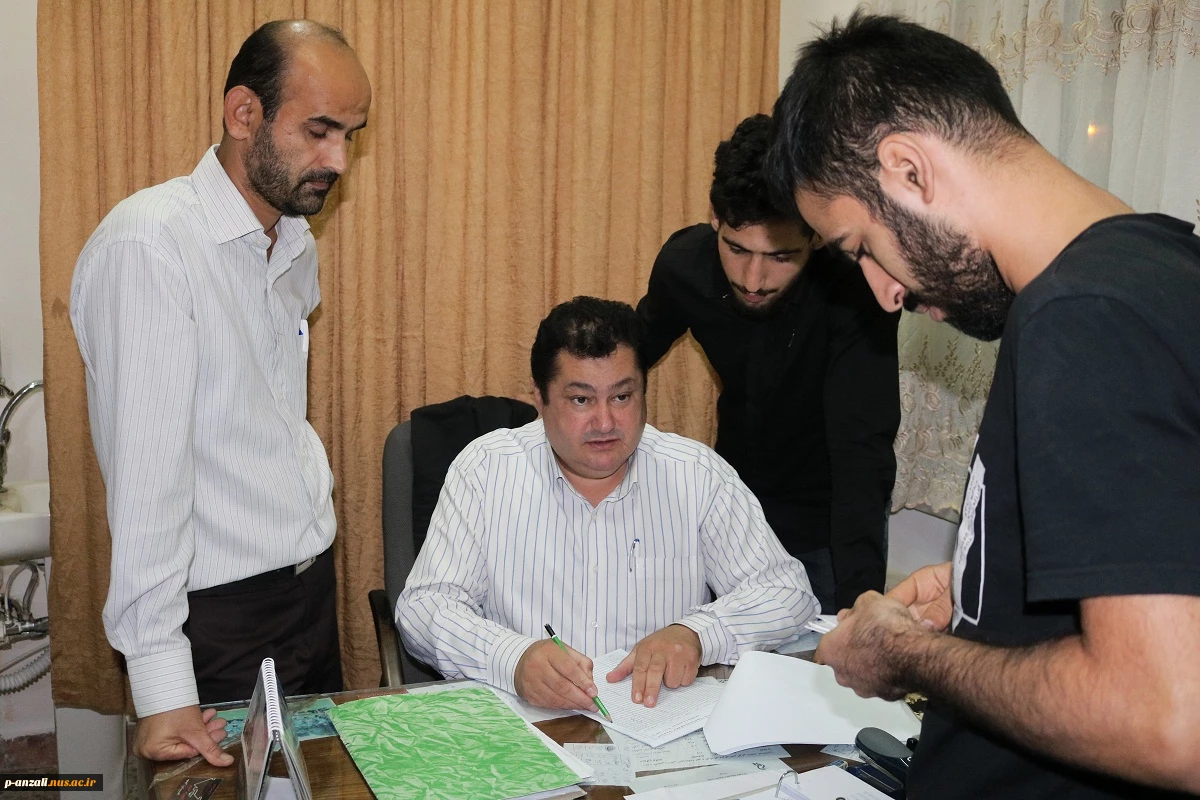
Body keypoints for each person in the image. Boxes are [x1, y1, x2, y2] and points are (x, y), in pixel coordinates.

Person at [766, 11, 1200, 798]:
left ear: (908, 170)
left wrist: (901, 655)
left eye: (861, 249)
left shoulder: (1083, 317)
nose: (885, 293)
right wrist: (985, 589)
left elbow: (1169, 720)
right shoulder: (1162, 265)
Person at [70, 20, 372, 767]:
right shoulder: (150, 247)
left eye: (350, 136)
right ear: (244, 114)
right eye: (319, 131)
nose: (338, 161)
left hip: (306, 597)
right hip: (219, 623)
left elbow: (267, 423)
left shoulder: (292, 240)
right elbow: (148, 487)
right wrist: (162, 686)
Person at [397, 297, 817, 712]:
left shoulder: (696, 474)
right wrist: (512, 659)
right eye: (581, 400)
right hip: (528, 722)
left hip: (656, 720)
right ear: (540, 399)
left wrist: (697, 633)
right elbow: (424, 608)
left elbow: (787, 592)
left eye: (622, 397)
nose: (605, 423)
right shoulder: (486, 469)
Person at [636, 113, 899, 612]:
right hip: (732, 506)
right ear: (715, 218)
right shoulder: (685, 266)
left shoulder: (858, 289)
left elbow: (861, 453)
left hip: (826, 520)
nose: (753, 279)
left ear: (817, 236)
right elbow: (627, 353)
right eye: (737, 249)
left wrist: (858, 607)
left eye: (780, 257)